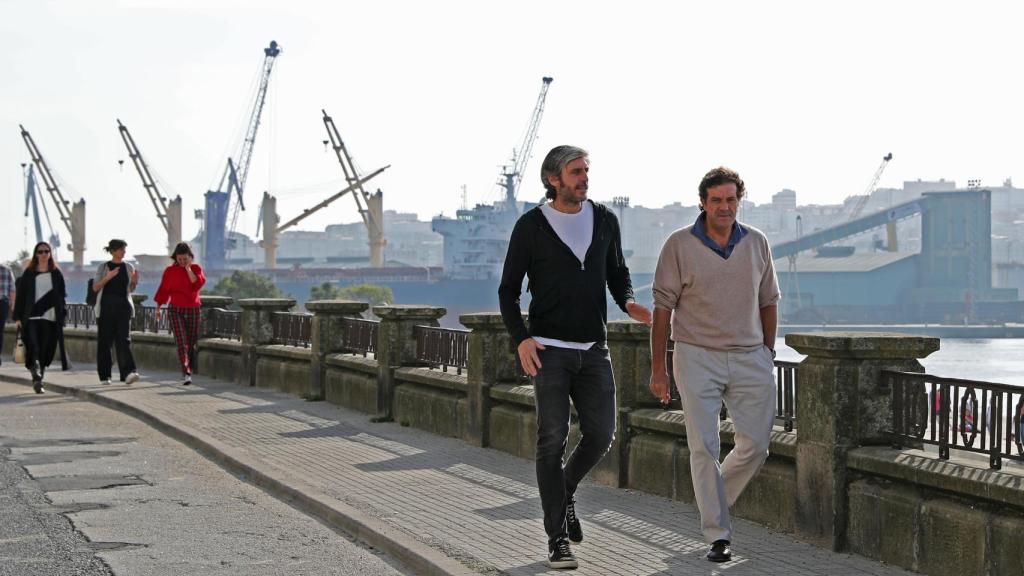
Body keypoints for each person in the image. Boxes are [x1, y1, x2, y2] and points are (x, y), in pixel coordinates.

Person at [498, 145, 652, 570]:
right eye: (576, 172)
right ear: (553, 179)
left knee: (603, 434)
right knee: (551, 440)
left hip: (594, 349)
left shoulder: (604, 220)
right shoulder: (530, 227)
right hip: (549, 352)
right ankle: (556, 539)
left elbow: (617, 273)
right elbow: (507, 292)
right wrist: (522, 339)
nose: (584, 178)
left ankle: (563, 490)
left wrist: (629, 303)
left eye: (586, 170)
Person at [648, 166, 780, 564]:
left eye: (731, 200)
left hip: (749, 356)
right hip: (695, 353)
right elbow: (661, 310)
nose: (725, 207)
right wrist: (659, 367)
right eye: (717, 200)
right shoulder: (679, 245)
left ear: (740, 201)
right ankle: (718, 534)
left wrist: (767, 353)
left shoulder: (757, 242)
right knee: (703, 445)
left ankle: (713, 499)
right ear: (703, 203)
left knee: (756, 445)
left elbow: (769, 300)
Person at [12, 242, 66, 393]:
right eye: (40, 252)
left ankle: (38, 378)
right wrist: (17, 317)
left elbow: (62, 297)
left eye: (46, 252)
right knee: (34, 347)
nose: (43, 254)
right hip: (31, 318)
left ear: (50, 254)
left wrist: (62, 315)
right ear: (36, 254)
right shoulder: (29, 274)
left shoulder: (56, 274)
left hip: (50, 319)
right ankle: (36, 376)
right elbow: (21, 297)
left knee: (45, 350)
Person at [153, 242, 206, 385]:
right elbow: (163, 290)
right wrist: (158, 308)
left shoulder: (196, 269)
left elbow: (196, 285)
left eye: (185, 259)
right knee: (181, 342)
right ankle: (186, 371)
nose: (182, 262)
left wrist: (188, 268)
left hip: (193, 309)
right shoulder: (169, 271)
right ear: (175, 258)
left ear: (190, 257)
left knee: (191, 342)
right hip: (175, 309)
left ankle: (189, 368)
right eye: (179, 259)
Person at [93, 239, 141, 385]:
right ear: (113, 251)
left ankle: (128, 373)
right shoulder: (103, 267)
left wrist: (134, 282)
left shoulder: (128, 267)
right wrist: (107, 278)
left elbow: (130, 290)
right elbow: (95, 287)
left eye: (124, 249)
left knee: (124, 341)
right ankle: (105, 376)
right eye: (121, 249)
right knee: (105, 342)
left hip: (123, 308)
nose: (124, 252)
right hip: (106, 307)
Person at [0, 262, 14, 366]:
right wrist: (11, 307)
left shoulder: (6, 269)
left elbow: (12, 290)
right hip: (3, 304)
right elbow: (12, 290)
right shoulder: (6, 269)